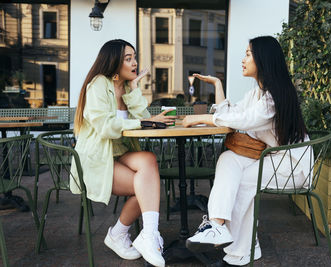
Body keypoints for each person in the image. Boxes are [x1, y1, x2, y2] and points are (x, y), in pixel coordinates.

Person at [182, 36, 309, 266]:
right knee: (229, 158)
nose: (243, 59)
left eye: (248, 54)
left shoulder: (274, 96)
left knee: (242, 183)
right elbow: (231, 113)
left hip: (290, 164)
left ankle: (241, 253)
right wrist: (217, 86)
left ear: (264, 59)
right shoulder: (256, 94)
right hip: (270, 158)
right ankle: (217, 226)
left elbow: (244, 119)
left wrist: (199, 117)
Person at [71, 39, 176, 267]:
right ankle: (122, 234)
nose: (134, 63)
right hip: (96, 159)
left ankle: (145, 234)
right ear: (114, 62)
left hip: (118, 153)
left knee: (149, 161)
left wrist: (136, 90)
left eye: (134, 57)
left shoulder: (127, 87)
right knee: (147, 185)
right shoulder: (98, 84)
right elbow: (106, 126)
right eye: (128, 58)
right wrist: (144, 122)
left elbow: (143, 117)